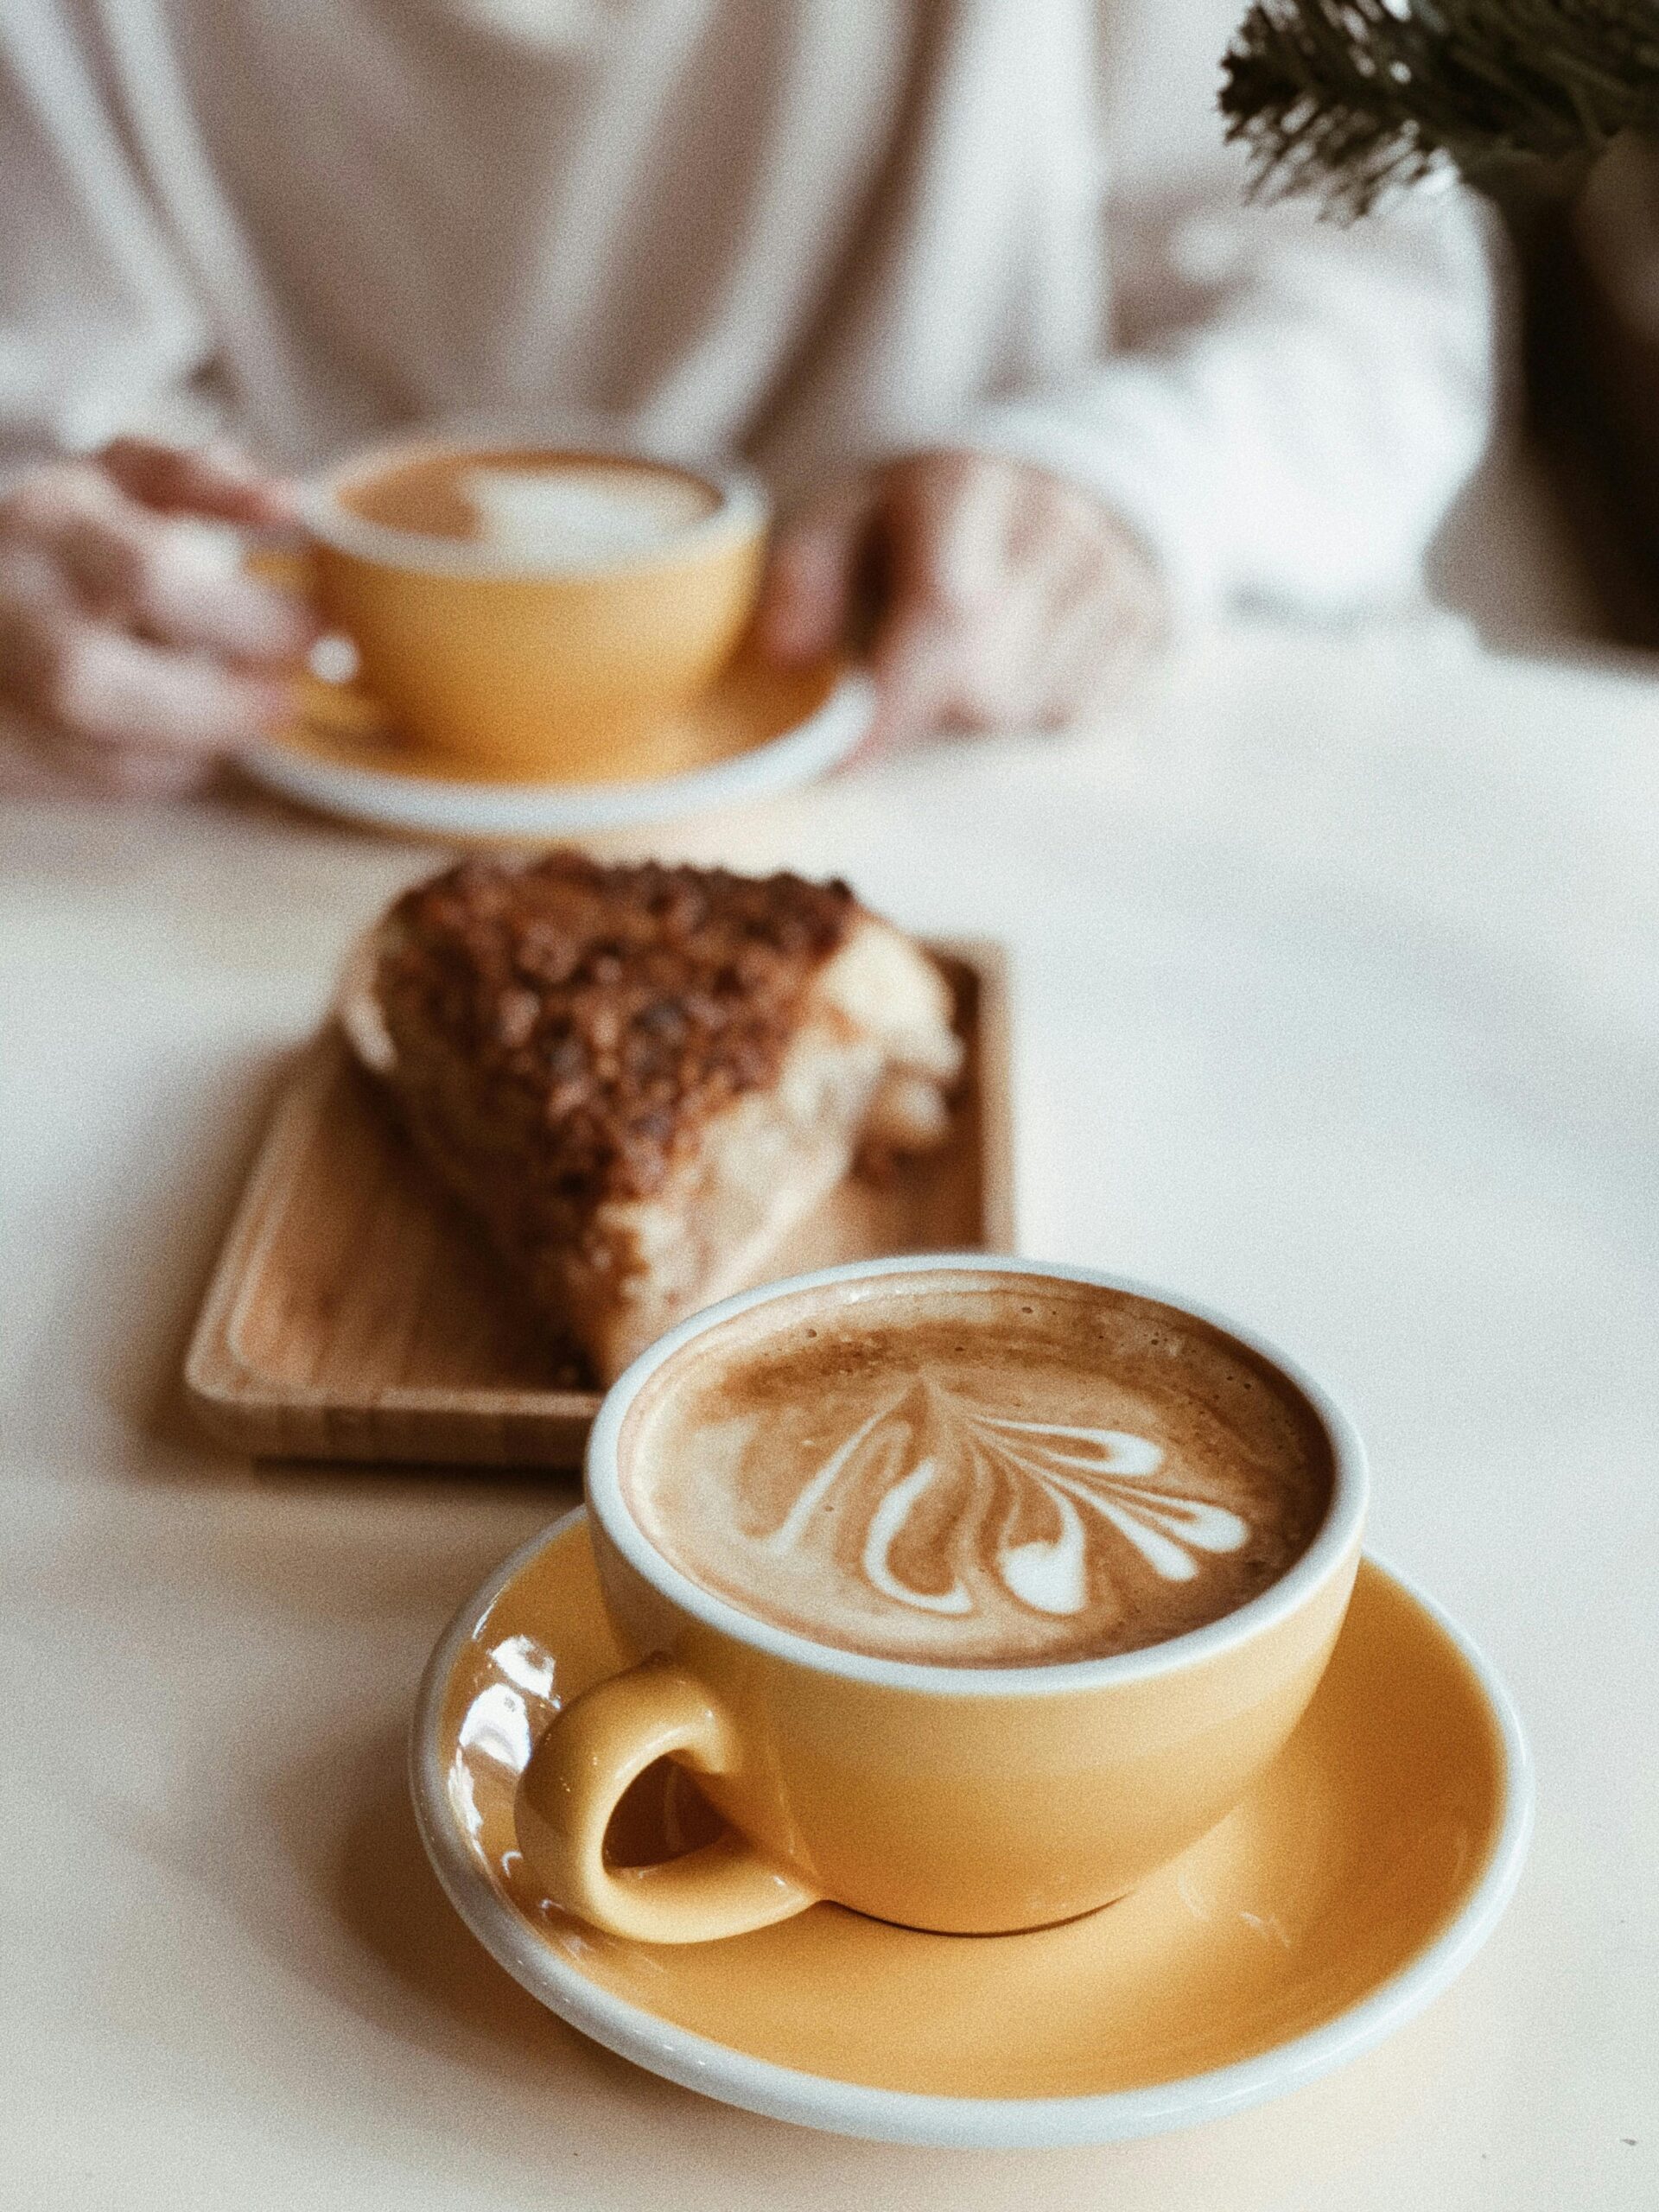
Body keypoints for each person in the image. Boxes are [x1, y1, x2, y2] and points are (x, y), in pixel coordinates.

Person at [0, 0, 1498, 797]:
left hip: (989, 773)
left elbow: (1386, 309)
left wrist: (1124, 484)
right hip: (272, 841)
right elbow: (42, 413)